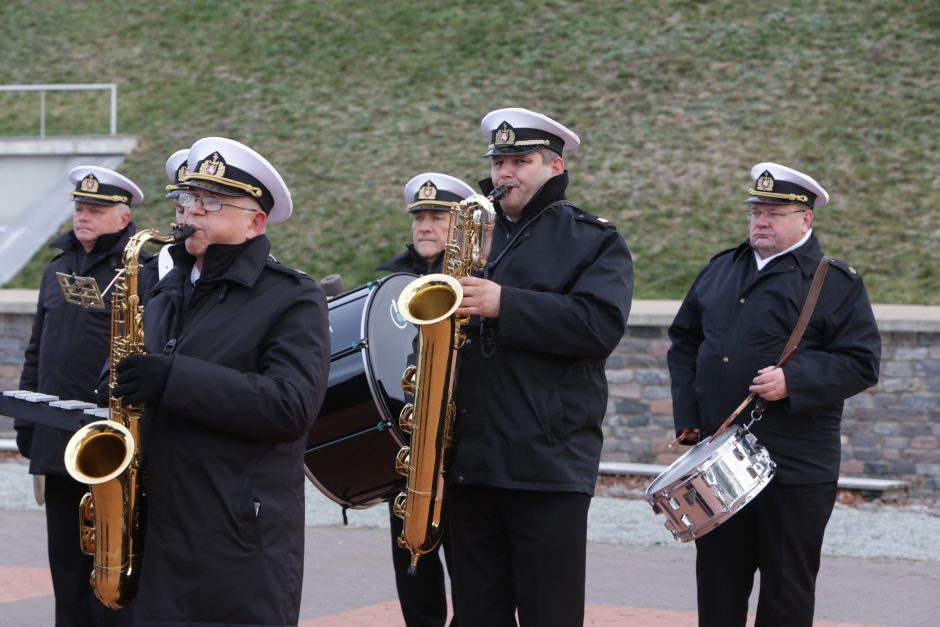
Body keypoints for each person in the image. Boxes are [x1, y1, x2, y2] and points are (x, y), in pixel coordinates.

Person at [111, 137, 331, 625]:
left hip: (238, 541)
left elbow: (290, 406)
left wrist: (172, 378)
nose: (192, 212)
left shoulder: (293, 298)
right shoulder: (166, 288)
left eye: (213, 203)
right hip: (159, 528)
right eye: (188, 199)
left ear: (255, 222)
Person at [666, 162, 881, 626]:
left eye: (775, 212)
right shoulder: (720, 269)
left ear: (806, 219)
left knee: (787, 591)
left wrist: (795, 380)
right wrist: (690, 416)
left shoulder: (835, 282)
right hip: (719, 463)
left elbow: (862, 361)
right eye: (756, 211)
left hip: (796, 467)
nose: (761, 221)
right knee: (719, 588)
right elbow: (684, 341)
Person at [445, 108, 634, 626]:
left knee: (549, 613)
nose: (504, 173)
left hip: (547, 466)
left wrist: (507, 303)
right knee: (475, 615)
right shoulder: (472, 235)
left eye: (519, 161)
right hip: (471, 462)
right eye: (499, 161)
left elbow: (600, 326)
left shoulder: (594, 240)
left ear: (554, 165)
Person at [16, 165, 144, 627]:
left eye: (96, 209)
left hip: (107, 439)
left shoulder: (137, 272)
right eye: (79, 208)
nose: (84, 216)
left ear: (123, 218)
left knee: (111, 570)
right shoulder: (57, 269)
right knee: (66, 567)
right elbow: (37, 350)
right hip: (57, 440)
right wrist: (27, 422)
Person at [375, 172, 476, 627]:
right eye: (419, 217)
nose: (424, 226)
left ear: (459, 227)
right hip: (407, 440)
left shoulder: (476, 280)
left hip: (462, 447)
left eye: (438, 216)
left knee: (472, 569)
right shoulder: (391, 281)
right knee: (411, 561)